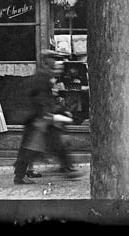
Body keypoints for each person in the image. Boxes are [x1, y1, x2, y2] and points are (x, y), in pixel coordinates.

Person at [13, 49, 80, 184]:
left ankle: (66, 168)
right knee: (33, 147)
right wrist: (49, 114)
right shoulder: (43, 78)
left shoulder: (43, 76)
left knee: (45, 145)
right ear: (49, 64)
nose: (58, 67)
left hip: (40, 118)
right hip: (39, 119)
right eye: (55, 62)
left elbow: (45, 98)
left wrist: (57, 110)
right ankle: (20, 175)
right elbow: (41, 99)